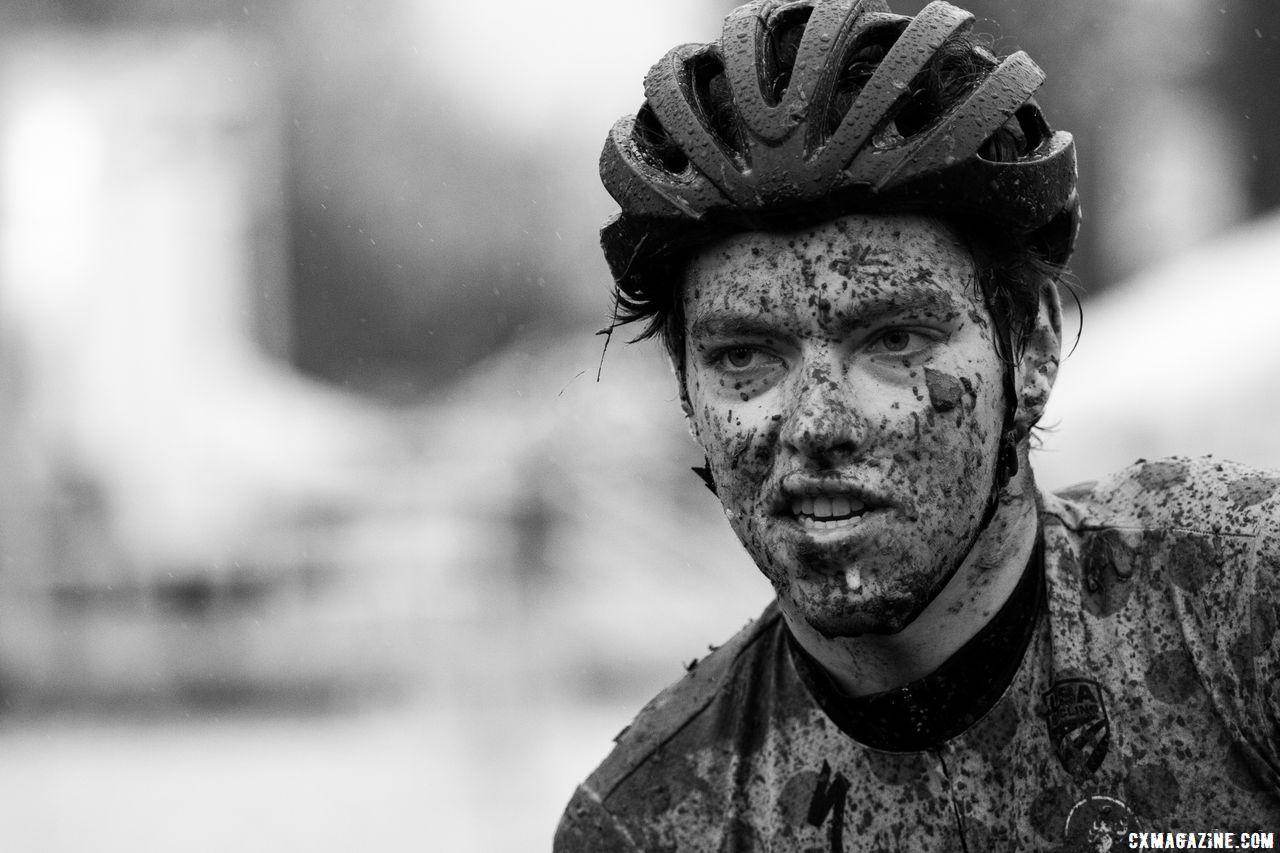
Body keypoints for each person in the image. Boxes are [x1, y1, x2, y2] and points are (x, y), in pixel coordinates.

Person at [555, 0, 1280, 849]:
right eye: (746, 356)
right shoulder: (657, 824)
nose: (816, 422)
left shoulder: (1235, 602)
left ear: (1034, 346)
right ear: (686, 393)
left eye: (893, 339)